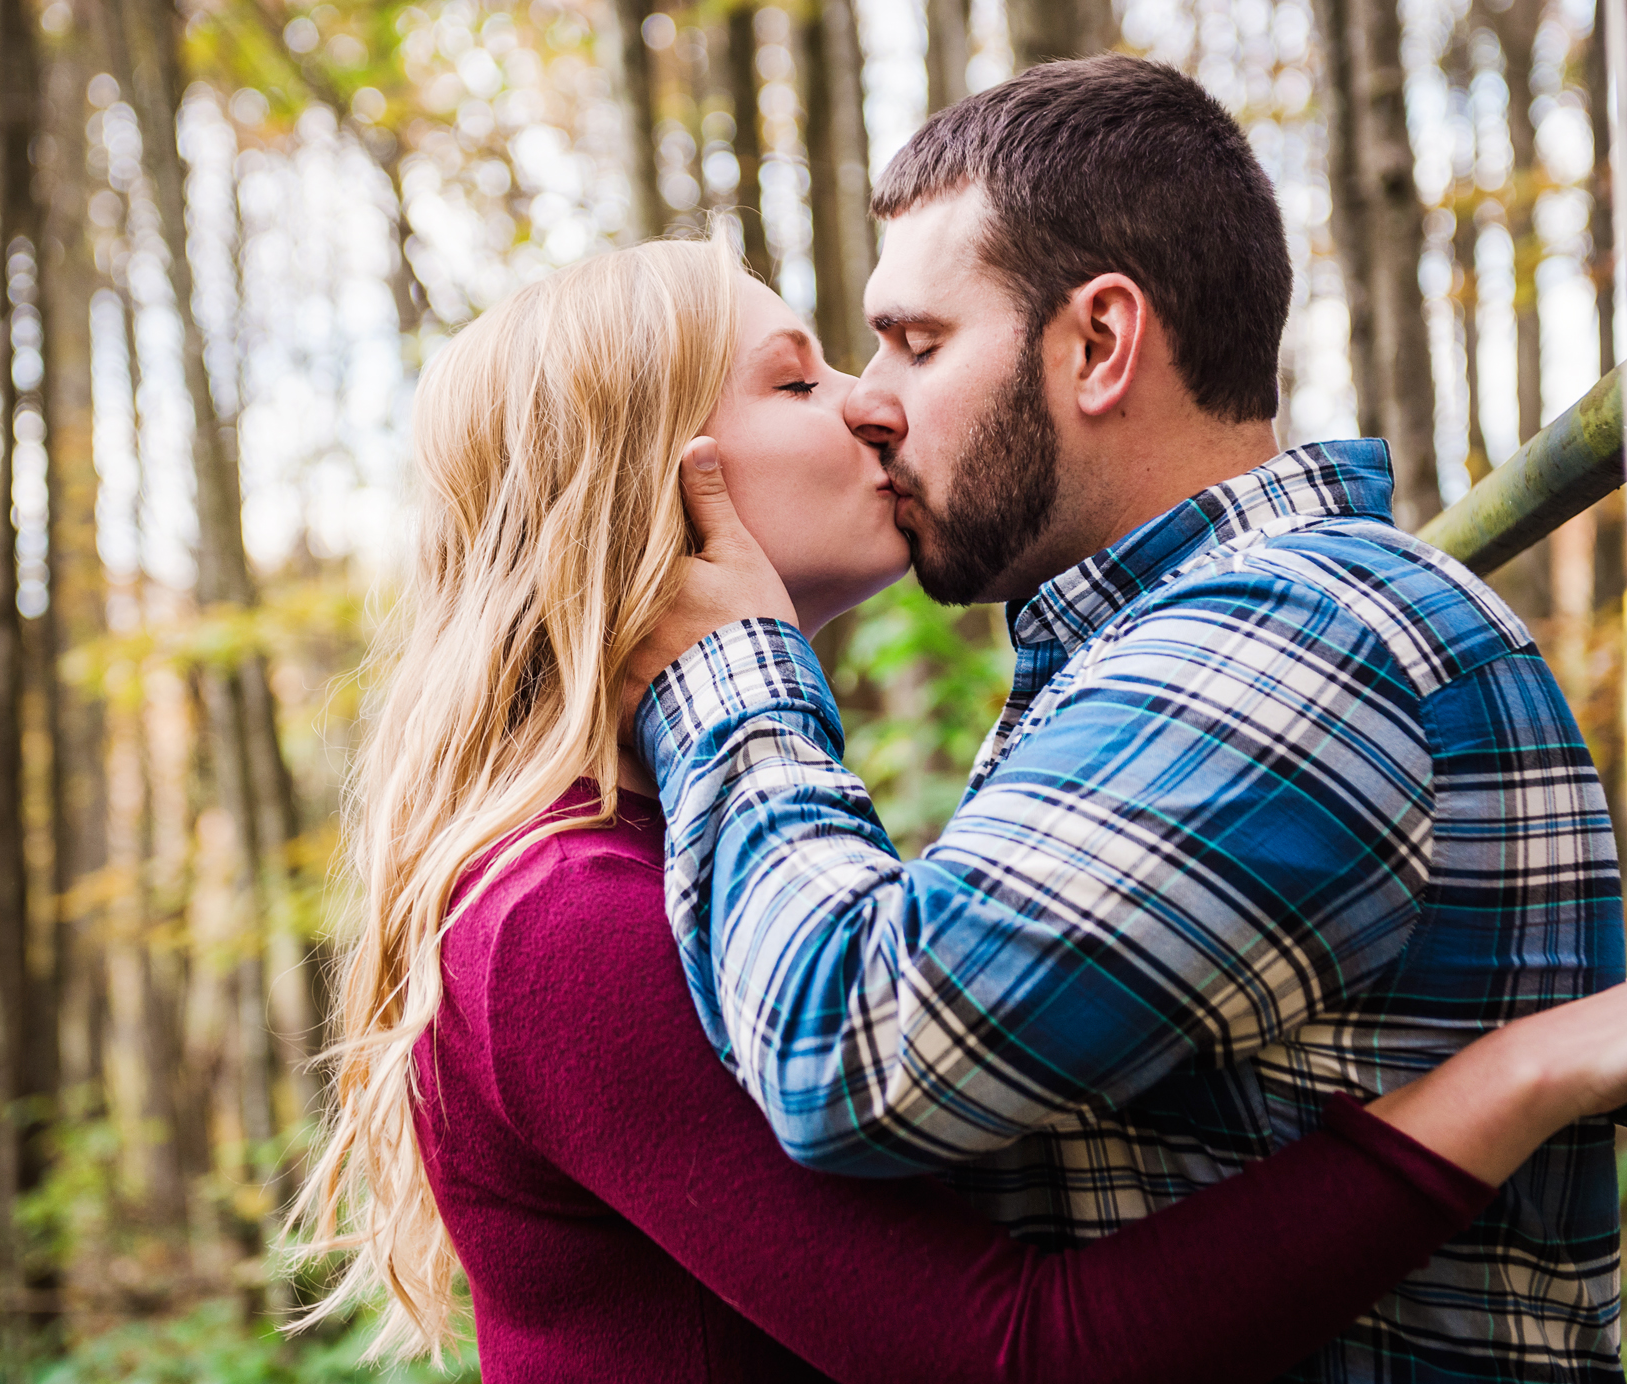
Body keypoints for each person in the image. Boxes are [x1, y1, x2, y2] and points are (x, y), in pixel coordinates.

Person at [292, 234, 1627, 1384]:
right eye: (797, 379)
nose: (872, 407)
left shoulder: (684, 861)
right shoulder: (567, 920)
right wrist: (1513, 1079)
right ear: (654, 472)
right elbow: (1028, 1358)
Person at [630, 57, 1624, 1384]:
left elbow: (849, 1051)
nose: (872, 400)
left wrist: (731, 669)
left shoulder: (1299, 635)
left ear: (1100, 343)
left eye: (918, 344)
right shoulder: (1158, 654)